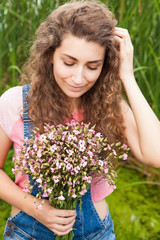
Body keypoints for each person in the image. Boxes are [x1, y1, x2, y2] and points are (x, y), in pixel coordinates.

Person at [0, 0, 160, 239]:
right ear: (50, 54)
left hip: (96, 234)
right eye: (69, 62)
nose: (78, 78)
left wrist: (127, 76)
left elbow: (156, 155)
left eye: (93, 66)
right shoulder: (17, 102)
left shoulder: (110, 106)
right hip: (28, 232)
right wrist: (38, 209)